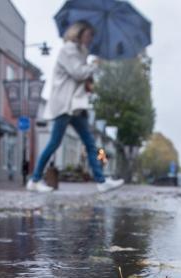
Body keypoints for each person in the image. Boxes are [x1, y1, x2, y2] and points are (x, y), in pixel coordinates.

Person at [26, 21, 124, 194]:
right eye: (88, 34)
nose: (91, 38)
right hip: (65, 104)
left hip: (77, 105)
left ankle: (101, 181)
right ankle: (34, 180)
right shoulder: (68, 49)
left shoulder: (81, 52)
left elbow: (81, 78)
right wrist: (94, 65)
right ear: (79, 33)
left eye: (92, 36)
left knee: (90, 143)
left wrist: (90, 77)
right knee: (54, 143)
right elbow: (77, 72)